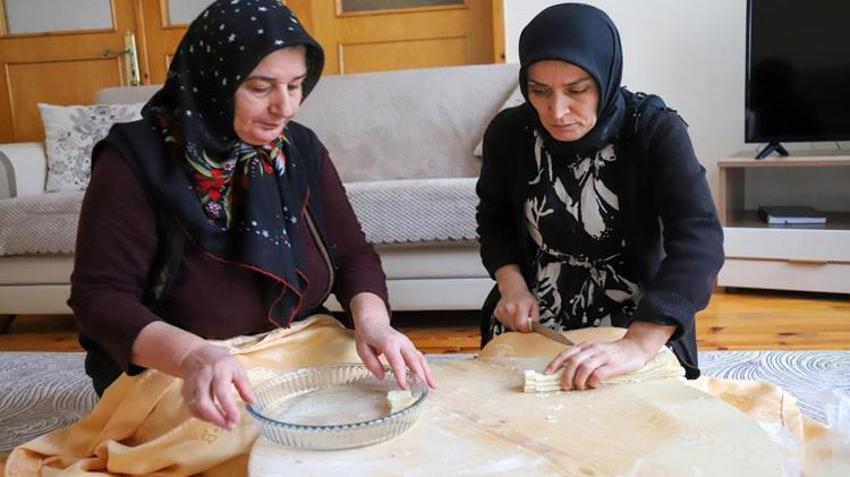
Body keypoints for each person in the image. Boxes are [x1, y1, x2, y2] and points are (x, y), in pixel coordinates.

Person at [69, 0, 434, 431]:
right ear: (212, 81)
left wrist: (373, 324)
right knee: (238, 440)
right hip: (179, 365)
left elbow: (352, 254)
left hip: (296, 343)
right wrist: (192, 356)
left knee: (389, 412)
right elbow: (100, 299)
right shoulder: (137, 158)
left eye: (296, 85)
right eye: (262, 88)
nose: (287, 108)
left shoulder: (299, 149)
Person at [476, 3, 723, 391]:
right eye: (539, 91)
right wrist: (512, 287)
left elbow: (700, 237)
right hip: (539, 306)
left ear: (605, 78)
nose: (556, 112)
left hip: (638, 308)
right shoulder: (509, 133)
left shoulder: (654, 130)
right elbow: (494, 219)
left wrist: (640, 343)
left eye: (577, 91)